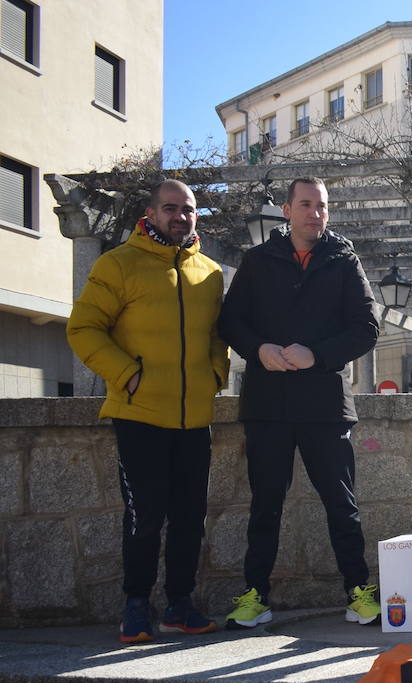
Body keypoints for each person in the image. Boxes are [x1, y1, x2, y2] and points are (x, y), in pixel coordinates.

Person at [67, 179, 228, 643]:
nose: (181, 216)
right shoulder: (118, 264)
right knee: (144, 516)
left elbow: (219, 337)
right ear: (151, 213)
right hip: (139, 415)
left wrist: (216, 374)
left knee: (190, 517)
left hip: (195, 418)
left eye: (189, 209)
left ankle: (180, 604)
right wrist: (127, 374)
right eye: (171, 208)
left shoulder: (210, 272)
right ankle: (136, 604)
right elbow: (83, 329)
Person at [218, 176, 382, 627]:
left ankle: (358, 592)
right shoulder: (257, 261)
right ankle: (255, 597)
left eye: (322, 205)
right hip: (267, 405)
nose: (316, 213)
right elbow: (230, 322)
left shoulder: (345, 262)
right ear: (287, 211)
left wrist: (318, 355)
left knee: (341, 504)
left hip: (325, 405)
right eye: (306, 204)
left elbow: (367, 328)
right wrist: (259, 350)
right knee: (265, 505)